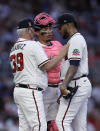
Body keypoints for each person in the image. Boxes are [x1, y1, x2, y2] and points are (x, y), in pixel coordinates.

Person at [10, 18, 69, 131]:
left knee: (24, 127)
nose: (34, 32)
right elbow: (47, 66)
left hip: (18, 91)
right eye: (32, 29)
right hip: (31, 90)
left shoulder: (14, 48)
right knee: (40, 126)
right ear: (28, 30)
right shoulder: (32, 45)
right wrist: (61, 54)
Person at [54, 13, 92, 131]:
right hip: (79, 83)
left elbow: (74, 65)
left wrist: (64, 85)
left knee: (61, 121)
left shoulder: (76, 40)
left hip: (76, 84)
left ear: (68, 25)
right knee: (79, 127)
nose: (59, 30)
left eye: (60, 27)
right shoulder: (76, 39)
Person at [33, 12, 64, 131]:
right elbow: (45, 67)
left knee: (56, 126)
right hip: (43, 91)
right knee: (41, 125)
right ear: (36, 32)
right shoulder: (34, 47)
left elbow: (65, 65)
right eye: (45, 28)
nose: (50, 31)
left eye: (50, 28)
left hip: (58, 89)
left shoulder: (58, 44)